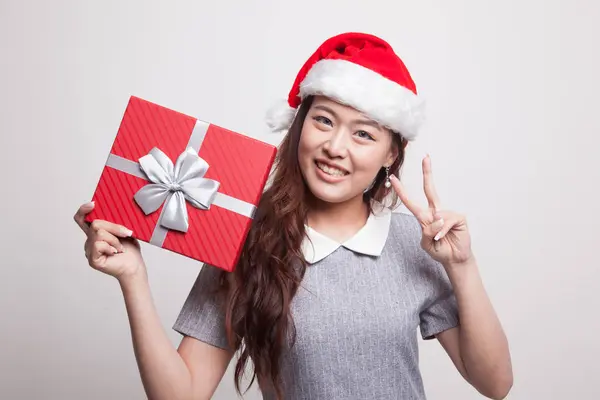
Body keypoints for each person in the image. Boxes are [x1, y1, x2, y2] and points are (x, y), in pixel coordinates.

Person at [74, 32, 513, 400]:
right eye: (324, 120)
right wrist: (133, 278)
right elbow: (182, 394)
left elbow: (494, 384)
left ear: (390, 153)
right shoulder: (247, 240)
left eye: (363, 133)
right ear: (300, 125)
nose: (335, 147)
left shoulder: (411, 243)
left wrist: (462, 266)